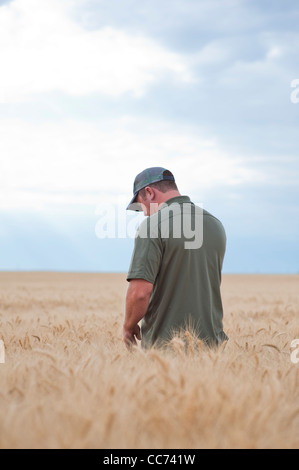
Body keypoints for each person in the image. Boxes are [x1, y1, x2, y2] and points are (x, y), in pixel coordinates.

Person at [123, 167, 228, 350]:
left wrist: (128, 326)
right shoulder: (215, 224)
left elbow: (140, 293)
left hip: (166, 348)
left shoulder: (153, 226)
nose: (145, 213)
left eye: (141, 206)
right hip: (213, 349)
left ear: (149, 192)